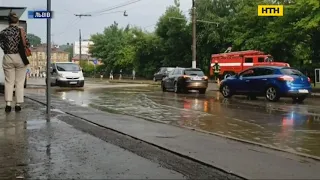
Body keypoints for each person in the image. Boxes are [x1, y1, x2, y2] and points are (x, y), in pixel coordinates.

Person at [0, 12, 30, 112]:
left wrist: (7, 50)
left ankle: (8, 104)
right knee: (19, 82)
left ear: (8, 22)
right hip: (20, 57)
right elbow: (27, 43)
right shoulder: (20, 31)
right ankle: (18, 104)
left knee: (9, 81)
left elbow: (1, 44)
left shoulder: (3, 32)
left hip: (8, 56)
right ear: (17, 21)